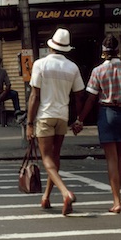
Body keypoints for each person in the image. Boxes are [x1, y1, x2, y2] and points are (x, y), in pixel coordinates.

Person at [74, 34, 121, 214]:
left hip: (106, 114)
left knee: (111, 159)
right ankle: (119, 198)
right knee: (119, 156)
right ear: (118, 50)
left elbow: (91, 98)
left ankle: (116, 201)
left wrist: (80, 120)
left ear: (103, 52)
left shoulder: (98, 71)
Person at [26, 28, 85, 216]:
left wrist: (29, 123)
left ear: (50, 46)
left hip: (45, 115)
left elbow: (34, 96)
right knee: (55, 158)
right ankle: (46, 197)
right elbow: (79, 96)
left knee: (46, 160)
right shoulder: (72, 68)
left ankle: (65, 192)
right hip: (62, 116)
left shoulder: (40, 64)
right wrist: (79, 119)